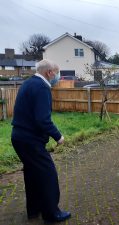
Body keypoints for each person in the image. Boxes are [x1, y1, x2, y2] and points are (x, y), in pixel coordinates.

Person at [11, 59, 71, 222]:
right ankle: (52, 214)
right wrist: (58, 136)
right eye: (57, 72)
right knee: (47, 175)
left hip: (19, 136)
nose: (58, 76)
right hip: (31, 140)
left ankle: (34, 209)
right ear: (49, 72)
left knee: (32, 174)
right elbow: (43, 119)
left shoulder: (28, 83)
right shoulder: (42, 87)